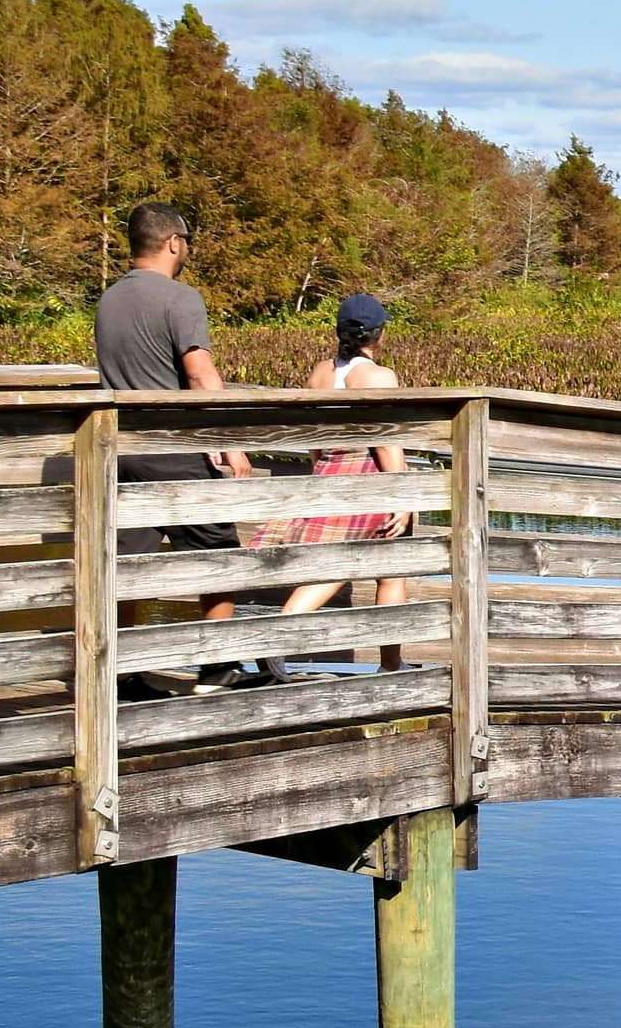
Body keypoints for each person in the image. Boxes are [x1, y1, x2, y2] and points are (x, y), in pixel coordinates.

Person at [95, 203, 269, 687]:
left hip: (122, 452)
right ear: (173, 242)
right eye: (187, 241)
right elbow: (199, 373)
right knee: (219, 553)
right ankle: (217, 668)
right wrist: (229, 442)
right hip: (175, 449)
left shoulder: (108, 300)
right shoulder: (181, 297)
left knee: (128, 564)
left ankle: (120, 674)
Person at [257, 295, 411, 666]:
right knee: (383, 572)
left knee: (359, 566)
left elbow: (314, 442)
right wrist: (404, 498)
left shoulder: (319, 374)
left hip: (327, 472)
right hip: (370, 479)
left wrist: (321, 472)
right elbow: (386, 444)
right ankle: (276, 638)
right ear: (378, 335)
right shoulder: (379, 377)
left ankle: (391, 663)